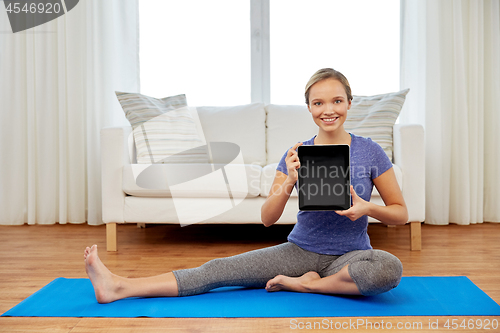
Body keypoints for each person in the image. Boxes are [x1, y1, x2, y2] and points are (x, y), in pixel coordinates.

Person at [84, 68, 408, 304]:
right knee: (218, 270)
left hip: (351, 256)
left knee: (388, 269)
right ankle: (119, 286)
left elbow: (400, 213)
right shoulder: (296, 154)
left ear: (349, 103)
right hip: (299, 252)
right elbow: (268, 218)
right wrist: (289, 182)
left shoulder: (370, 151)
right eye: (319, 103)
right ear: (309, 108)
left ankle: (309, 286)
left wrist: (368, 209)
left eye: (337, 101)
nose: (329, 110)